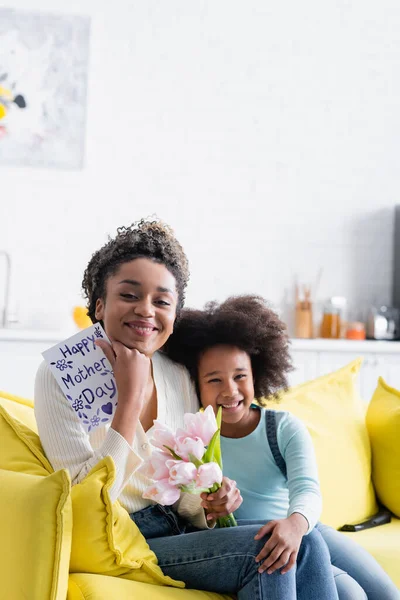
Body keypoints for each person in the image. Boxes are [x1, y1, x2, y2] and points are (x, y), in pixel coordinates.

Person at [34, 219, 339, 600]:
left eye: (161, 301)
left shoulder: (176, 373)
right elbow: (85, 502)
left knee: (304, 544)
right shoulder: (61, 375)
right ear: (100, 304)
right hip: (118, 539)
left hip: (177, 532)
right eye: (129, 295)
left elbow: (181, 491)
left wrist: (209, 505)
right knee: (267, 552)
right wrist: (127, 402)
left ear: (173, 317)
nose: (146, 311)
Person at [164, 294, 400, 600]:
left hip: (302, 528)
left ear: (256, 374)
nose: (230, 391)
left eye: (240, 376)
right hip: (255, 538)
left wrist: (296, 524)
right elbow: (187, 505)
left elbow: (307, 489)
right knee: (351, 595)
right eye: (214, 380)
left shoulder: (283, 427)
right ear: (195, 384)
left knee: (386, 593)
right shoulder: (193, 438)